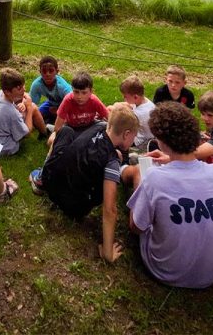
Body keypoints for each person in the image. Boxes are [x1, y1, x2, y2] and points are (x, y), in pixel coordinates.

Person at [128, 101, 213, 289]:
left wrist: (141, 183)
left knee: (139, 179)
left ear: (162, 141)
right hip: (210, 274)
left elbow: (136, 227)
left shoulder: (154, 177)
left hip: (165, 272)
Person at [29, 104, 140, 263]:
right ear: (126, 134)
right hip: (73, 208)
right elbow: (110, 209)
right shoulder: (111, 161)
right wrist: (108, 253)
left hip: (52, 187)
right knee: (109, 179)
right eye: (133, 137)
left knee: (66, 132)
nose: (133, 141)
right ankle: (106, 251)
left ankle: (41, 178)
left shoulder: (98, 126)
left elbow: (86, 145)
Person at [0, 67, 45, 155]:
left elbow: (24, 95)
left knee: (28, 107)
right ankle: (44, 134)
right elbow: (27, 133)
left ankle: (43, 131)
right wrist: (29, 109)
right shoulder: (10, 112)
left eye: (23, 85)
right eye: (19, 88)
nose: (24, 90)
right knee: (33, 107)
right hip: (5, 147)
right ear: (8, 92)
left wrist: (24, 103)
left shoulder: (0, 94)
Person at [112, 75, 156, 151]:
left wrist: (114, 108)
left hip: (140, 142)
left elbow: (121, 120)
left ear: (135, 97)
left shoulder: (140, 114)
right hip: (146, 134)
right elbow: (130, 105)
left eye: (125, 97)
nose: (124, 98)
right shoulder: (145, 101)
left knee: (116, 129)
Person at [28, 55, 72, 126]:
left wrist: (58, 111)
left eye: (51, 71)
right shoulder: (36, 84)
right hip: (51, 104)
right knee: (36, 115)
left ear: (57, 71)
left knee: (69, 119)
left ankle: (53, 123)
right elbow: (32, 104)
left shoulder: (63, 86)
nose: (47, 74)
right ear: (40, 72)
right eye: (44, 71)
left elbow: (72, 103)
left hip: (66, 107)